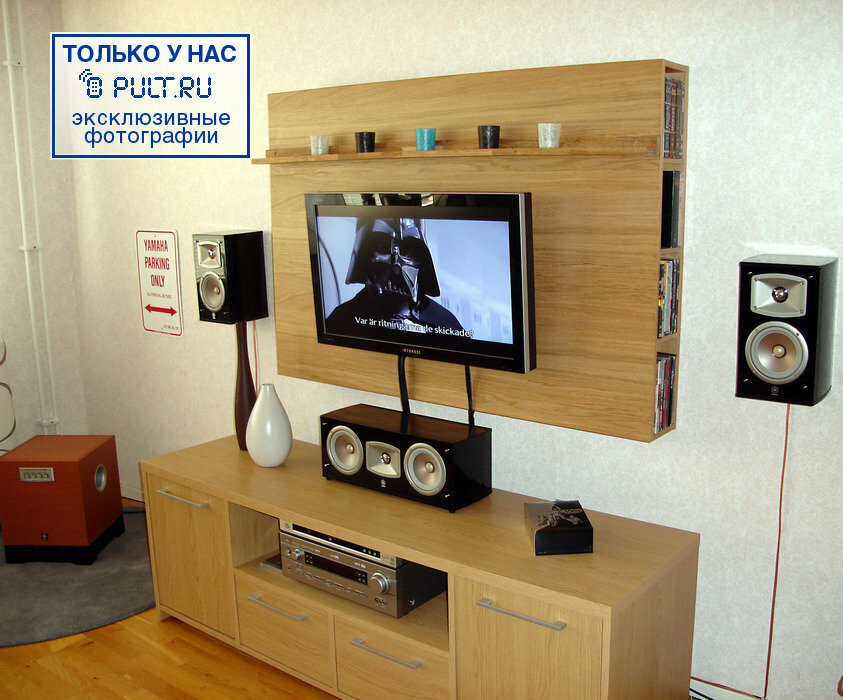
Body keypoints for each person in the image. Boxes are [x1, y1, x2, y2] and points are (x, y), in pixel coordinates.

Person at [325, 217, 463, 336]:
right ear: (364, 255)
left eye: (407, 251)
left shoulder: (445, 324)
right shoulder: (343, 320)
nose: (396, 265)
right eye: (383, 247)